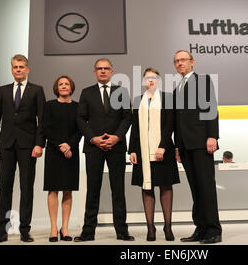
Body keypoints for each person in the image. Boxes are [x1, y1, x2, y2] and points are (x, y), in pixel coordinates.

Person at [0, 54, 46, 243]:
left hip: (28, 146)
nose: (18, 70)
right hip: (5, 146)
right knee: (5, 188)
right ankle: (1, 231)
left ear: (27, 69)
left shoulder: (37, 90)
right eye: (15, 67)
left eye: (21, 67)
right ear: (11, 70)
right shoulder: (3, 90)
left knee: (26, 188)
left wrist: (39, 144)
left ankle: (24, 230)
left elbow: (42, 121)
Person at [75, 58, 133, 242]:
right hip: (94, 147)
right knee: (93, 190)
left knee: (118, 190)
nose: (102, 71)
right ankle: (88, 232)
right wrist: (93, 138)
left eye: (106, 68)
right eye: (99, 69)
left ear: (112, 71)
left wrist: (117, 137)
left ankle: (122, 232)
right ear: (94, 72)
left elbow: (127, 117)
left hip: (116, 146)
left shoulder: (121, 91)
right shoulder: (86, 93)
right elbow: (80, 119)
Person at [173, 50, 222, 244]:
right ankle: (201, 228)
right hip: (185, 145)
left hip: (202, 142)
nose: (180, 63)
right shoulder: (177, 87)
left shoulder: (203, 80)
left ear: (192, 62)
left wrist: (212, 135)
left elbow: (211, 108)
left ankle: (213, 230)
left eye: (183, 60)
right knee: (195, 188)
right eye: (176, 61)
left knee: (206, 187)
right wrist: (177, 146)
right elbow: (178, 120)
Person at [129, 68, 180, 241]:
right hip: (143, 151)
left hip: (163, 150)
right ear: (144, 81)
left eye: (153, 77)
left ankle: (168, 226)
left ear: (158, 80)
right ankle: (150, 228)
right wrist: (132, 150)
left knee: (165, 186)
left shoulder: (168, 98)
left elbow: (170, 125)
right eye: (147, 77)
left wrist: (163, 146)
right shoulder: (138, 100)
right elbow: (134, 127)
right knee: (146, 187)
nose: (150, 80)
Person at [43, 76, 81, 242]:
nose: (64, 86)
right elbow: (45, 128)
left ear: (71, 87)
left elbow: (80, 129)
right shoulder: (49, 105)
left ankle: (64, 228)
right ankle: (53, 227)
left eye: (66, 84)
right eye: (61, 84)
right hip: (54, 151)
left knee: (68, 190)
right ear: (56, 88)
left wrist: (70, 145)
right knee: (53, 190)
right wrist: (61, 145)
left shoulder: (78, 107)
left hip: (71, 152)